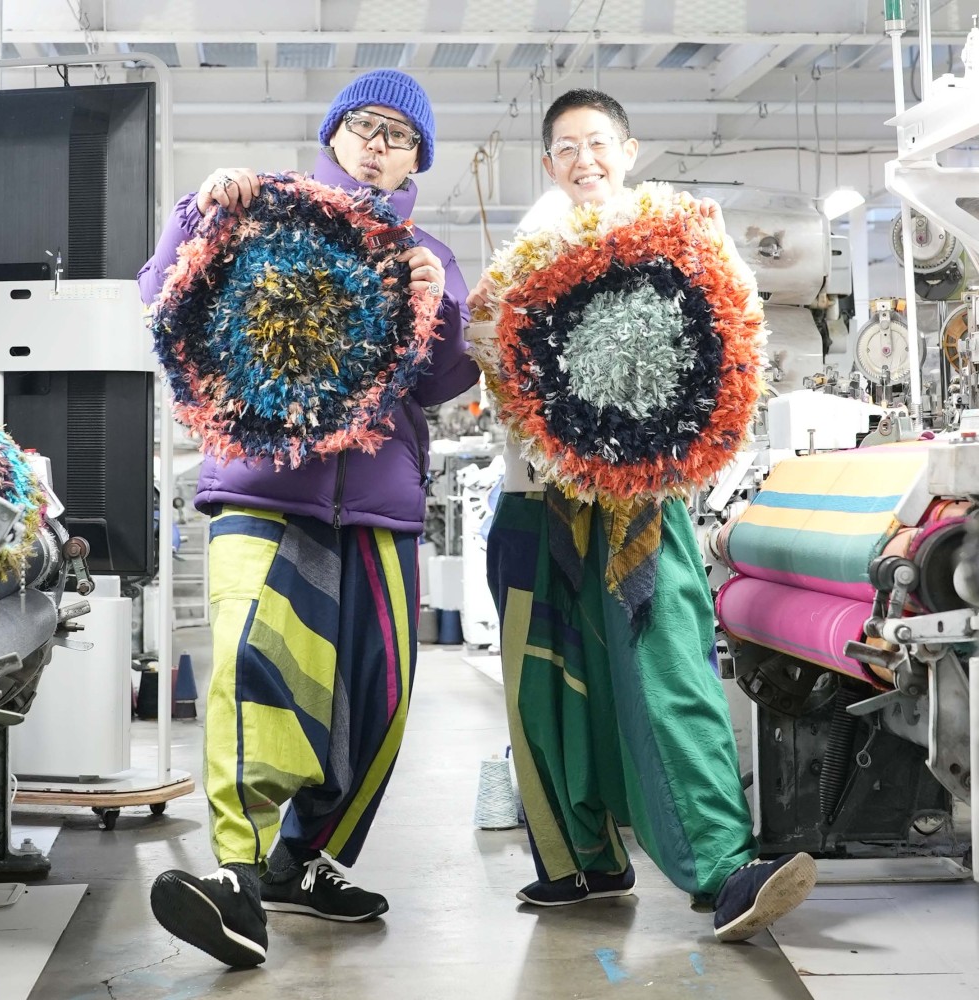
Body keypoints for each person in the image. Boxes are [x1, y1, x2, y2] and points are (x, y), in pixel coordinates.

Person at [138, 69, 478, 968]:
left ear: (417, 160)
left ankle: (302, 861)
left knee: (381, 697)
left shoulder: (429, 253)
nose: (377, 145)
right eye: (364, 125)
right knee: (255, 669)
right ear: (333, 134)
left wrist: (438, 306)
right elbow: (162, 288)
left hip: (378, 504)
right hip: (264, 484)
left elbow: (445, 380)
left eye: (399, 136)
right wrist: (199, 212)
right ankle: (239, 879)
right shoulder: (263, 210)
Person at [467, 89, 817, 942]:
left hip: (642, 502)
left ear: (628, 151)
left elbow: (733, 340)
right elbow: (488, 360)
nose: (583, 159)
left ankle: (724, 868)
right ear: (548, 162)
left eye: (597, 142)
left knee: (668, 669)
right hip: (537, 497)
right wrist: (488, 329)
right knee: (547, 682)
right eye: (566, 147)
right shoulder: (528, 249)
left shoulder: (680, 233)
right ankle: (581, 861)